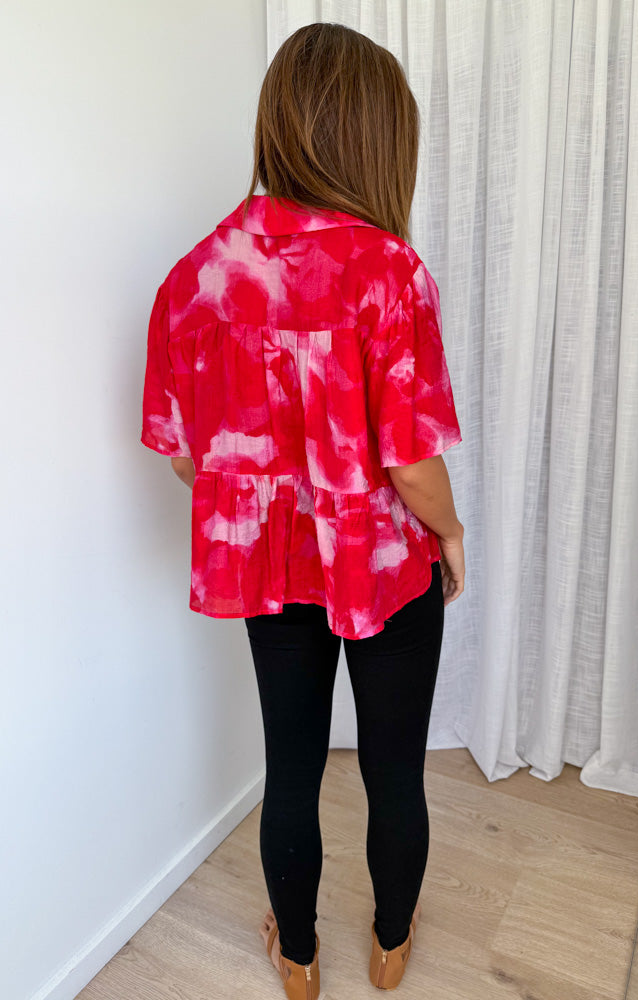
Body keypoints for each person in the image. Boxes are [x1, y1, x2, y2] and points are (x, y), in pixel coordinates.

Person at [141, 21, 465, 1000]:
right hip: (384, 567)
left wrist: (270, 500)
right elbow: (410, 463)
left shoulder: (195, 276)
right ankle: (392, 943)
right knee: (392, 769)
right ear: (373, 136)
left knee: (290, 766)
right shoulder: (389, 269)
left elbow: (187, 458)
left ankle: (297, 958)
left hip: (271, 573)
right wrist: (450, 533)